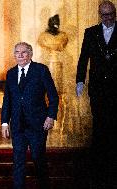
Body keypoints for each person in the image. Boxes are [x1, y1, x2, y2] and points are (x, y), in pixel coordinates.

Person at [1, 42, 59, 189]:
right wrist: (4, 123)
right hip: (18, 126)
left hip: (37, 124)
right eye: (17, 52)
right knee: (18, 161)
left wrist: (50, 116)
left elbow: (53, 96)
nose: (20, 55)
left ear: (30, 54)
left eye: (23, 52)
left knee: (38, 159)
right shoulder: (11, 73)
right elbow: (7, 99)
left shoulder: (41, 70)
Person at [76, 1, 117, 188]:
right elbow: (83, 57)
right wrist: (80, 80)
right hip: (98, 89)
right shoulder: (90, 32)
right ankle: (99, 169)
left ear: (115, 13)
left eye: (110, 15)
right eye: (104, 15)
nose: (107, 19)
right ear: (99, 15)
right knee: (99, 125)